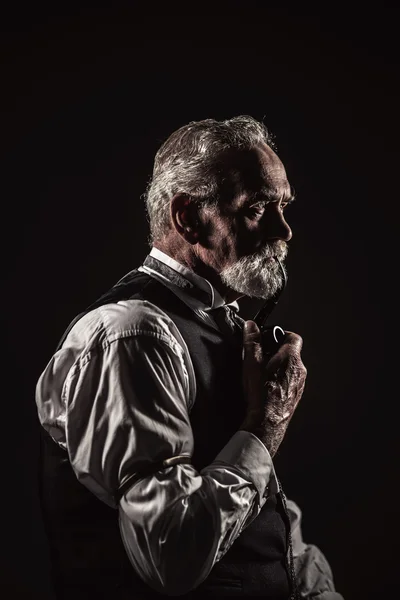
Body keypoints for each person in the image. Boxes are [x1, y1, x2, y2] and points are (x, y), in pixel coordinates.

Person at [36, 116, 344, 599]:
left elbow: (268, 528)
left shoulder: (220, 324)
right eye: (259, 208)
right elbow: (171, 555)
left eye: (285, 206)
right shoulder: (132, 336)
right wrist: (267, 423)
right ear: (188, 217)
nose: (284, 230)